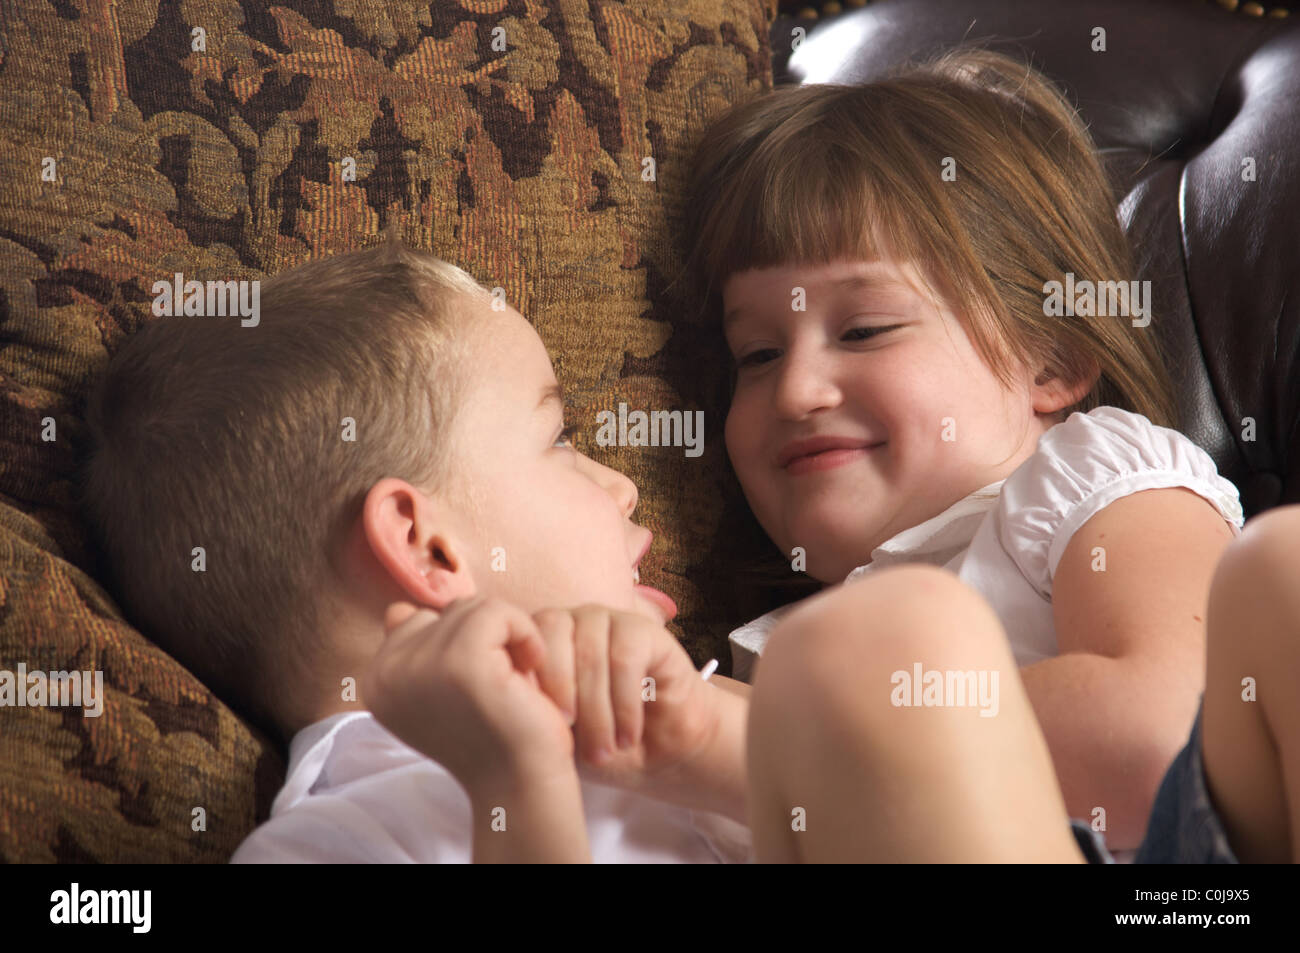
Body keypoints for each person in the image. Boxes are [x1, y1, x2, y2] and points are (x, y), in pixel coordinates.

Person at [676, 46, 1280, 862]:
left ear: (1051, 359)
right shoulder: (773, 654)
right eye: (757, 354)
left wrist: (788, 736)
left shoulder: (1086, 478)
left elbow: (1158, 737)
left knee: (1282, 568)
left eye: (864, 330)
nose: (794, 391)